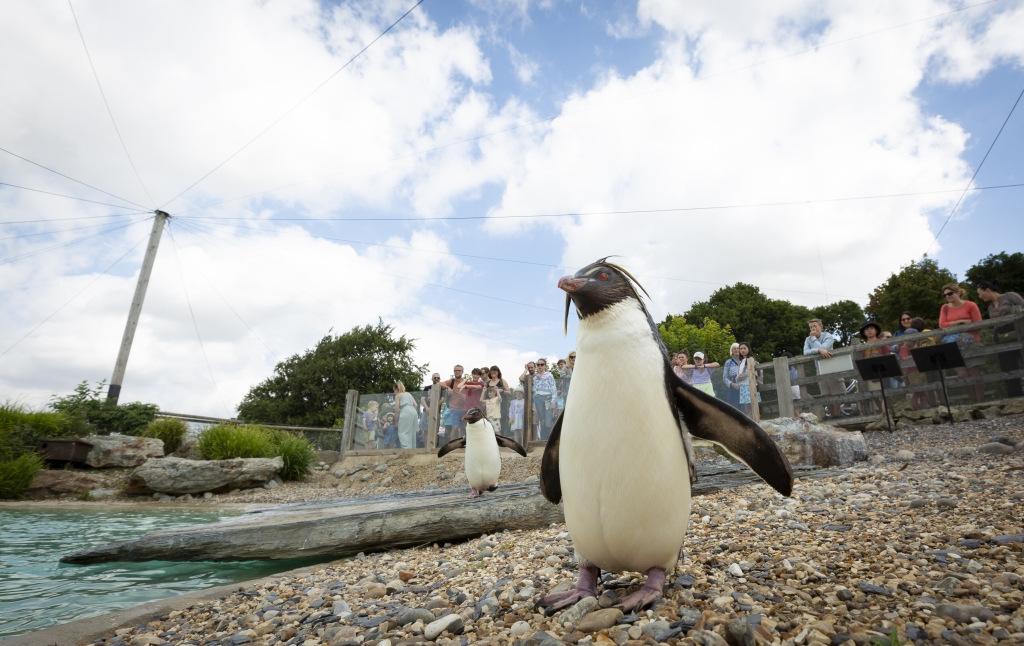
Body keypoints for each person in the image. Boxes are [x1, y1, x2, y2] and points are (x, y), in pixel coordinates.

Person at [938, 282, 985, 403]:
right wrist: (962, 321)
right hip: (954, 345)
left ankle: (980, 403)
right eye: (945, 295)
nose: (947, 296)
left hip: (971, 340)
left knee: (974, 372)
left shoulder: (970, 305)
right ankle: (974, 402)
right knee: (962, 375)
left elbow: (978, 325)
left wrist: (960, 330)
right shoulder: (945, 308)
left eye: (950, 293)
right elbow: (942, 325)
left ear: (958, 292)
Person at [977, 280, 1024, 398]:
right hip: (1001, 337)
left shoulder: (1010, 296)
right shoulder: (990, 307)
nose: (979, 296)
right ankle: (1015, 397)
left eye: (980, 293)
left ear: (987, 290)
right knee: (1007, 367)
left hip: (1019, 332)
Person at [803, 318, 844, 418]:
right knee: (826, 393)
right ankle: (832, 415)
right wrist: (818, 350)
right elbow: (805, 352)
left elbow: (824, 348)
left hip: (832, 366)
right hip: (819, 369)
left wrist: (814, 341)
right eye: (811, 327)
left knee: (836, 392)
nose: (813, 329)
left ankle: (837, 415)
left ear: (821, 326)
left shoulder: (828, 336)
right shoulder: (808, 339)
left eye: (815, 326)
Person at [858, 321, 891, 414]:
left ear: (876, 330)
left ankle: (888, 411)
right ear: (863, 333)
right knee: (874, 393)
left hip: (883, 369)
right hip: (870, 371)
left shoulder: (882, 342)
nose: (869, 331)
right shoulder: (862, 346)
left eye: (872, 328)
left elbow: (888, 354)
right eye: (867, 329)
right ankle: (880, 410)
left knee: (887, 392)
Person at [438, 365, 468, 439]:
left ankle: (460, 445)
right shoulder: (451, 381)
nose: (457, 372)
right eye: (455, 370)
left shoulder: (465, 382)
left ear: (462, 372)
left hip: (464, 409)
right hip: (454, 408)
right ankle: (452, 444)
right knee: (455, 427)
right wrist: (448, 387)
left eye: (459, 370)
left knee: (462, 428)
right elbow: (438, 384)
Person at [532, 359, 557, 440]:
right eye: (538, 364)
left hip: (548, 399)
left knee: (548, 422)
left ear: (545, 365)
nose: (540, 366)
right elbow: (534, 390)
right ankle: (543, 441)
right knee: (542, 421)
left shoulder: (549, 375)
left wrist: (553, 402)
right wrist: (538, 379)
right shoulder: (535, 377)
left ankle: (550, 440)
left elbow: (553, 389)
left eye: (542, 364)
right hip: (538, 398)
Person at [736, 342, 762, 417]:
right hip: (743, 386)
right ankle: (750, 423)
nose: (742, 350)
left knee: (754, 407)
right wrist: (738, 378)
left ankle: (756, 422)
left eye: (744, 348)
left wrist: (743, 375)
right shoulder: (740, 362)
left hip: (751, 385)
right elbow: (737, 376)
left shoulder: (752, 360)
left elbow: (754, 372)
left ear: (748, 349)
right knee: (747, 408)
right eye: (741, 349)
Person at [485, 365, 511, 436]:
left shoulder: (502, 381)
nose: (493, 372)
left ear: (498, 372)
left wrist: (501, 391)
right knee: (490, 426)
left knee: (501, 424)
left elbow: (509, 392)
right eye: (491, 371)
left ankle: (501, 442)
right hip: (490, 408)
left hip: (501, 406)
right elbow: (484, 394)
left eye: (495, 371)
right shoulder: (487, 383)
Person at [393, 381, 418, 449]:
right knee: (412, 432)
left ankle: (406, 449)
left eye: (394, 390)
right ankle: (413, 449)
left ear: (396, 389)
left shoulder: (398, 396)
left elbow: (397, 410)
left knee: (402, 432)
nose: (394, 392)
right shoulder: (409, 394)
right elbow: (416, 405)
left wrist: (395, 420)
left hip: (405, 410)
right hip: (413, 410)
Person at [722, 343, 742, 407]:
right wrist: (732, 384)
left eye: (738, 348)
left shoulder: (745, 360)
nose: (736, 350)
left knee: (747, 405)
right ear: (732, 351)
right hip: (734, 386)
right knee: (735, 407)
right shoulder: (728, 362)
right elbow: (724, 377)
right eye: (734, 349)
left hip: (745, 384)